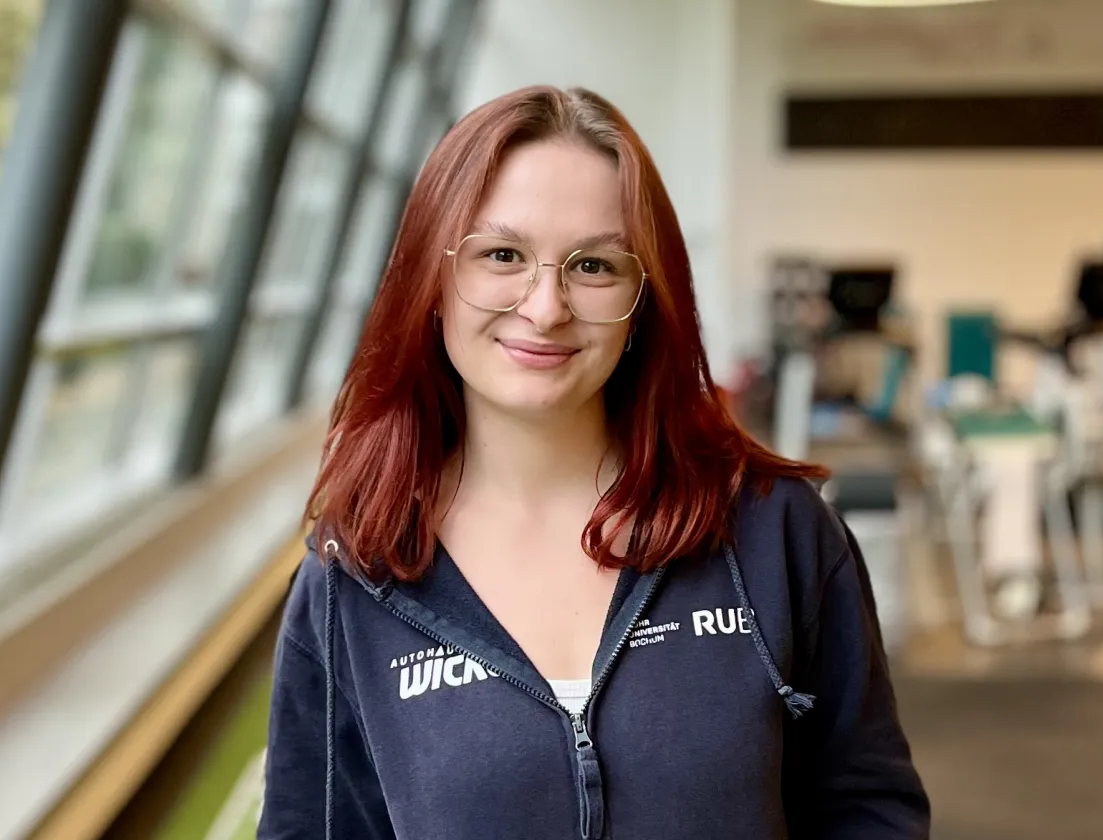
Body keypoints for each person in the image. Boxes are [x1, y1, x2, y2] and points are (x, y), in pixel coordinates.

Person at [258, 85, 930, 840]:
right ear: (432, 281)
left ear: (646, 294)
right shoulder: (355, 577)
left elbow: (869, 810)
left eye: (595, 267)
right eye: (502, 255)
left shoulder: (774, 533)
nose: (546, 307)